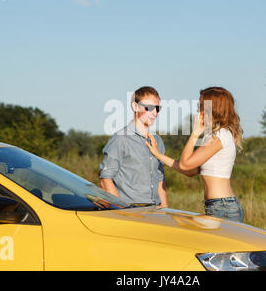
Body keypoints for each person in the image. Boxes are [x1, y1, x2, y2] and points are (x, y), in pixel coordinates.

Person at [145, 86, 244, 222]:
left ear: (214, 108)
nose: (199, 111)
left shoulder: (220, 136)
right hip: (219, 206)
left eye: (202, 106)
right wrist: (158, 155)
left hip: (223, 208)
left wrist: (195, 133)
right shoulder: (214, 136)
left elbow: (185, 164)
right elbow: (189, 170)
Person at [99, 86, 168, 207]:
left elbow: (160, 181)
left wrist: (165, 212)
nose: (155, 113)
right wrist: (120, 211)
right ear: (135, 106)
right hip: (130, 211)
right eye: (149, 107)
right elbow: (105, 178)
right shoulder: (120, 139)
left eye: (157, 108)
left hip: (155, 211)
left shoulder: (158, 141)